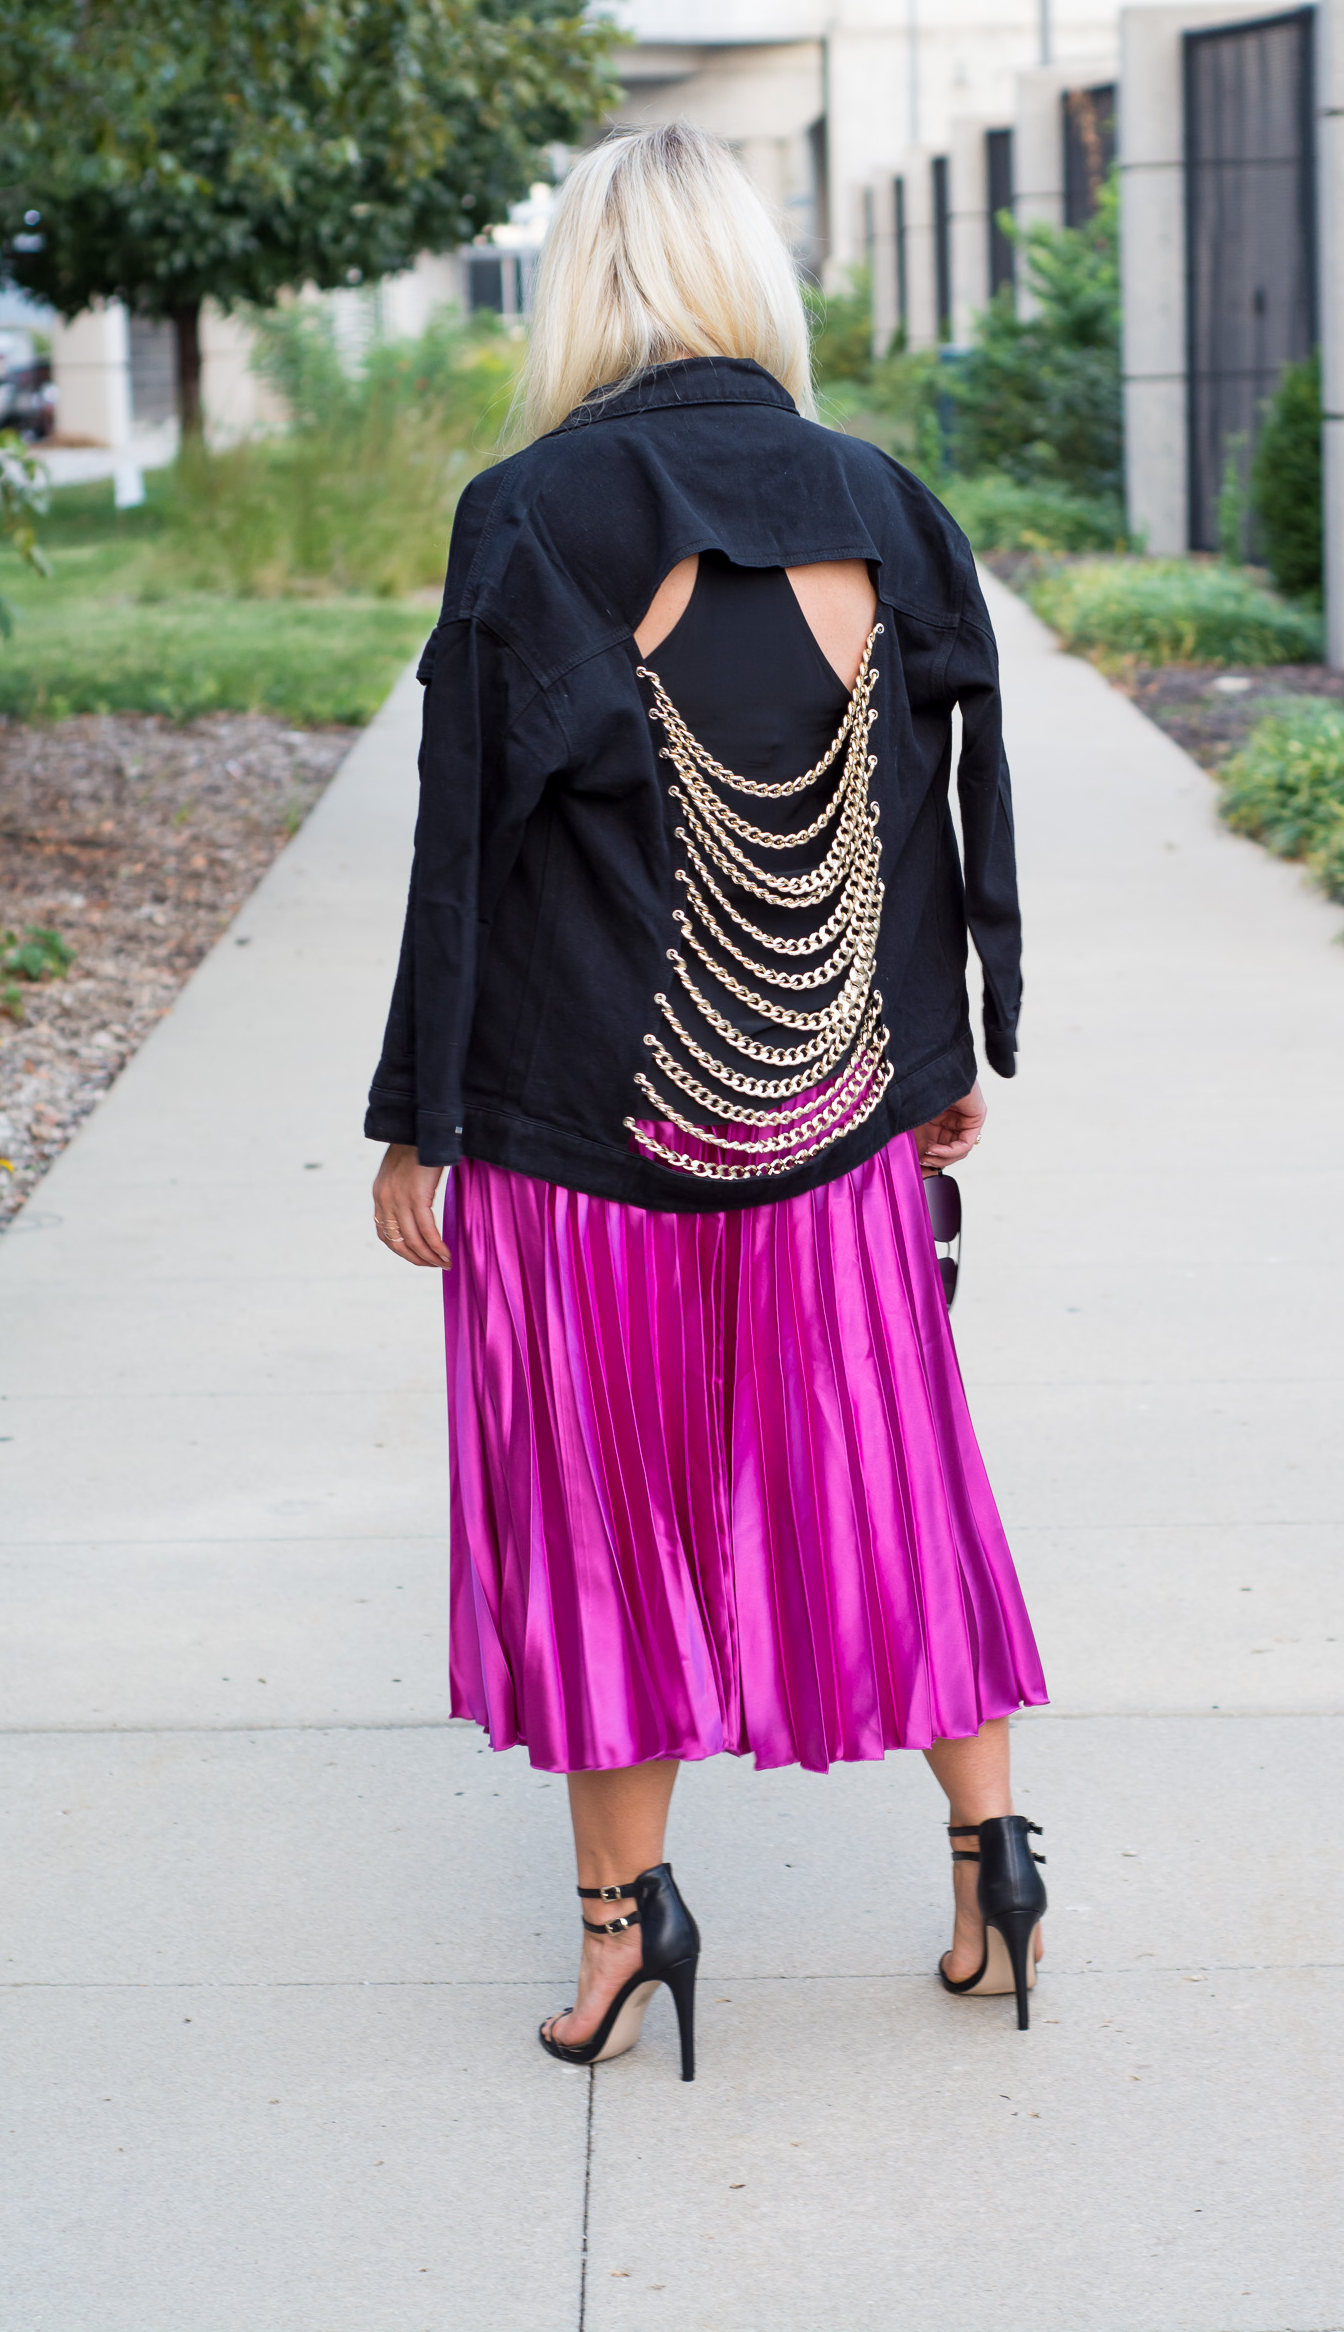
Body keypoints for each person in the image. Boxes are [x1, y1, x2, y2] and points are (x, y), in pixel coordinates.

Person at [366, 123, 1048, 2081]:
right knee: (891, 1478)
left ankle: (622, 1942)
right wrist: (933, 1064)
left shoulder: (532, 513)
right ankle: (992, 1866)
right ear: (756, 275)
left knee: (596, 1527)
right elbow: (920, 834)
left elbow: (462, 857)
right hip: (830, 1120)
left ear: (585, 282)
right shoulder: (882, 501)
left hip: (594, 1126)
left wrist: (422, 1114)